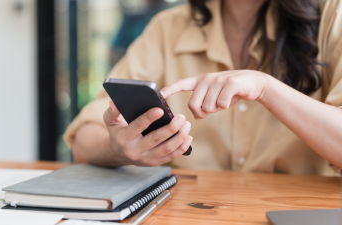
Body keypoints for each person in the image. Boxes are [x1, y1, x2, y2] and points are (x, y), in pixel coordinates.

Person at [64, 0, 342, 175]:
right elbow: (82, 141)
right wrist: (118, 149)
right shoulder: (167, 28)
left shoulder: (333, 15)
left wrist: (265, 88)